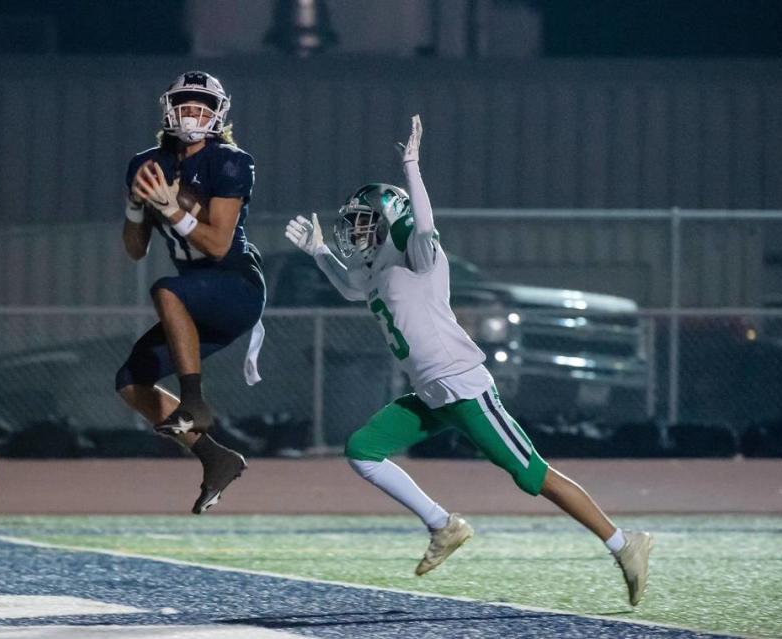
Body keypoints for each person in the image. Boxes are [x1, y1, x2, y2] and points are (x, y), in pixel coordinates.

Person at [284, 115, 653, 606]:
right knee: (363, 450)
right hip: (431, 394)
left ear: (391, 219)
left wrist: (412, 167)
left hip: (463, 388)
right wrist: (320, 252)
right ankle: (444, 525)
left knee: (532, 475)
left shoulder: (419, 254)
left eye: (364, 222)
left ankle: (624, 544)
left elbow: (426, 225)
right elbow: (352, 288)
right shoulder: (374, 270)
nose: (355, 232)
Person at [117, 70, 266, 514]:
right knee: (130, 380)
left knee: (166, 290)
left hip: (235, 283)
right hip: (194, 293)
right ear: (168, 109)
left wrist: (171, 207)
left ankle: (194, 403)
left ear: (218, 114)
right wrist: (135, 206)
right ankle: (214, 457)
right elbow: (134, 248)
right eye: (184, 105)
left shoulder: (231, 161)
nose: (192, 113)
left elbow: (219, 244)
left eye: (202, 106)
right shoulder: (147, 163)